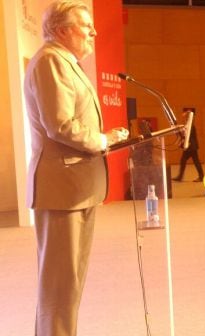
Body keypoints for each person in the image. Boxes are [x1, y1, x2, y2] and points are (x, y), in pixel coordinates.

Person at [24, 2, 129, 334]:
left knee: (68, 285)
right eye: (85, 25)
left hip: (75, 188)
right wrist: (102, 139)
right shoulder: (51, 61)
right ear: (62, 29)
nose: (93, 32)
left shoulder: (65, 62)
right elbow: (60, 125)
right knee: (59, 287)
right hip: (61, 190)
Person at [173, 110, 204, 182]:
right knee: (194, 161)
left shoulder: (190, 125)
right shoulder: (189, 124)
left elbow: (187, 136)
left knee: (186, 160)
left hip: (190, 146)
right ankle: (200, 176)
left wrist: (184, 143)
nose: (183, 118)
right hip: (192, 146)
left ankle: (180, 176)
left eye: (185, 116)